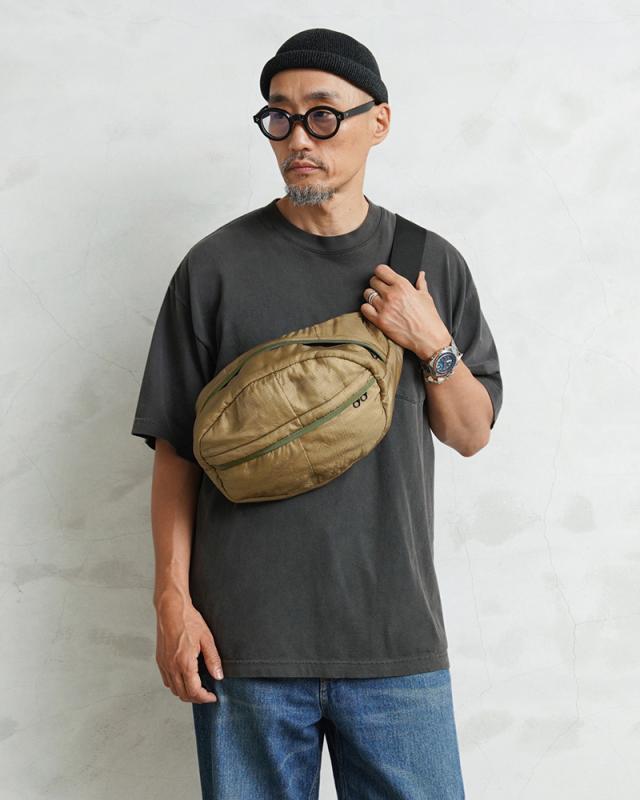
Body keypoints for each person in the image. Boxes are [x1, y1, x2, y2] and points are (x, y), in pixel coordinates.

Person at [131, 26, 503, 800]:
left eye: (323, 115)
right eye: (280, 116)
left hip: (395, 642)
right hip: (244, 648)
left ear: (379, 122)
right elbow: (177, 453)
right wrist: (172, 602)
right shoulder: (215, 269)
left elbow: (470, 433)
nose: (299, 138)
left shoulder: (428, 263)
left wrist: (432, 342)